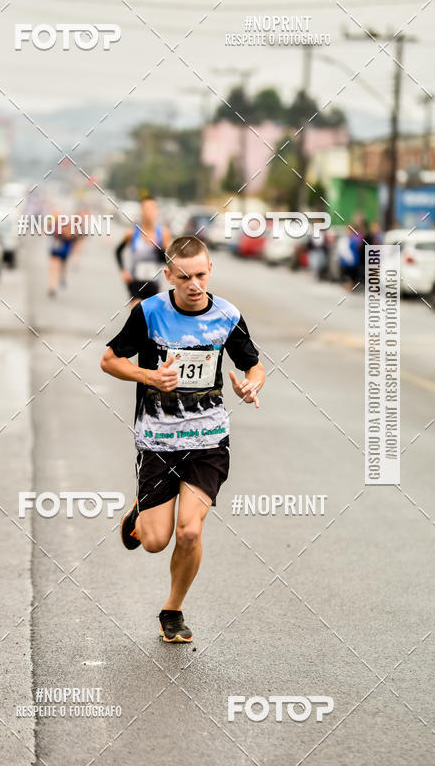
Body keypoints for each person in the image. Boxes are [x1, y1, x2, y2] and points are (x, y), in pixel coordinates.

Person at [100, 235, 265, 643]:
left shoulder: (227, 315)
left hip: (208, 441)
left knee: (190, 531)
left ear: (211, 271)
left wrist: (250, 385)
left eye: (202, 275)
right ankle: (140, 514)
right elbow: (109, 360)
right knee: (156, 542)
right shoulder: (150, 313)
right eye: (185, 276)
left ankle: (172, 611)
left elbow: (255, 365)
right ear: (169, 275)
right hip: (157, 441)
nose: (195, 285)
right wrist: (150, 376)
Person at [115, 195, 172, 307]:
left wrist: (157, 247)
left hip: (153, 283)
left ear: (156, 211)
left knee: (149, 318)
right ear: (141, 212)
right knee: (136, 311)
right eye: (145, 209)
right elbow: (118, 251)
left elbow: (168, 260)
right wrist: (123, 271)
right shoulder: (132, 233)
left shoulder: (163, 234)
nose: (148, 213)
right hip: (135, 282)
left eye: (151, 209)